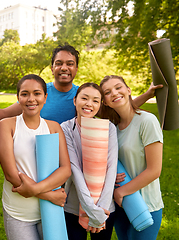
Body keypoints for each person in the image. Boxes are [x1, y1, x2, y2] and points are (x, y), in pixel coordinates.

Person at [0, 43, 163, 124]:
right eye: (59, 63)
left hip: (75, 162)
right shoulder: (40, 93)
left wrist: (148, 95)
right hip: (42, 159)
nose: (64, 68)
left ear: (76, 69)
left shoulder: (83, 96)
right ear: (52, 68)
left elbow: (118, 109)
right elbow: (4, 114)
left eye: (70, 64)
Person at [0, 74, 71, 240]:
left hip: (50, 211)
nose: (31, 99)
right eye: (24, 94)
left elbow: (65, 169)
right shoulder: (7, 125)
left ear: (45, 97)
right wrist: (49, 194)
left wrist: (36, 190)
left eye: (37, 93)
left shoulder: (54, 127)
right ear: (18, 98)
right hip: (19, 212)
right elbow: (11, 175)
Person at [100, 75, 164, 240]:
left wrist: (121, 191)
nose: (114, 93)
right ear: (105, 101)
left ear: (128, 90)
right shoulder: (113, 129)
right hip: (122, 205)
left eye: (118, 87)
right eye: (107, 92)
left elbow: (154, 170)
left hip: (146, 205)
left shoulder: (147, 121)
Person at [61, 83, 118, 240]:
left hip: (105, 207)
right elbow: (74, 169)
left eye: (95, 100)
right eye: (84, 98)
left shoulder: (109, 128)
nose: (89, 104)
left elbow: (111, 167)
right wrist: (90, 210)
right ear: (75, 100)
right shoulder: (65, 128)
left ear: (100, 105)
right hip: (73, 206)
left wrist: (101, 211)